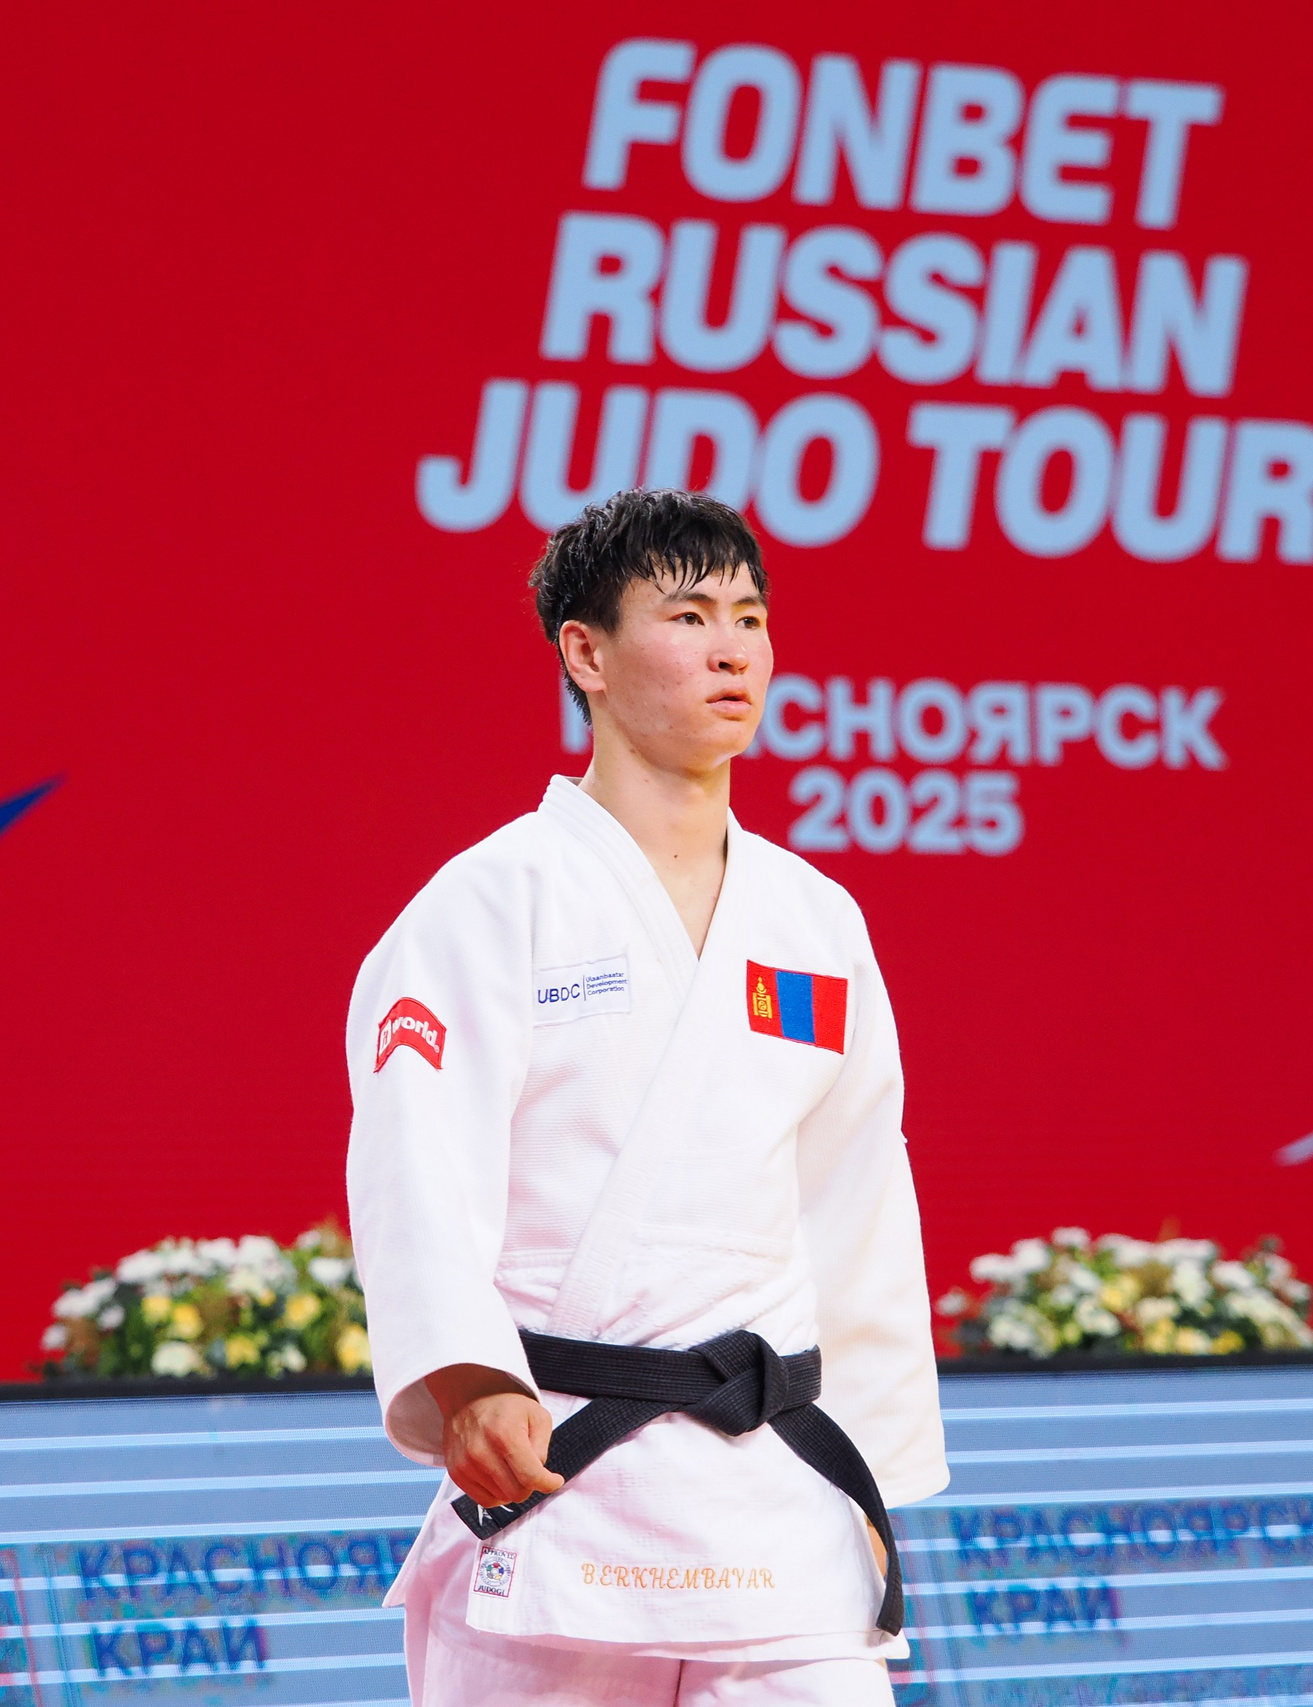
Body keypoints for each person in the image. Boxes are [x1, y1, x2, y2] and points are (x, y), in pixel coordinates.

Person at [344, 489, 946, 1707]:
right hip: (562, 1480)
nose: (733, 649)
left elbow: (857, 1201)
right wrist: (467, 1380)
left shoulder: (815, 920)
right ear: (587, 653)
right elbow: (417, 1155)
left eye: (751, 617)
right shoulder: (491, 899)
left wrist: (871, 1474)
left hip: (777, 1500)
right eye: (687, 614)